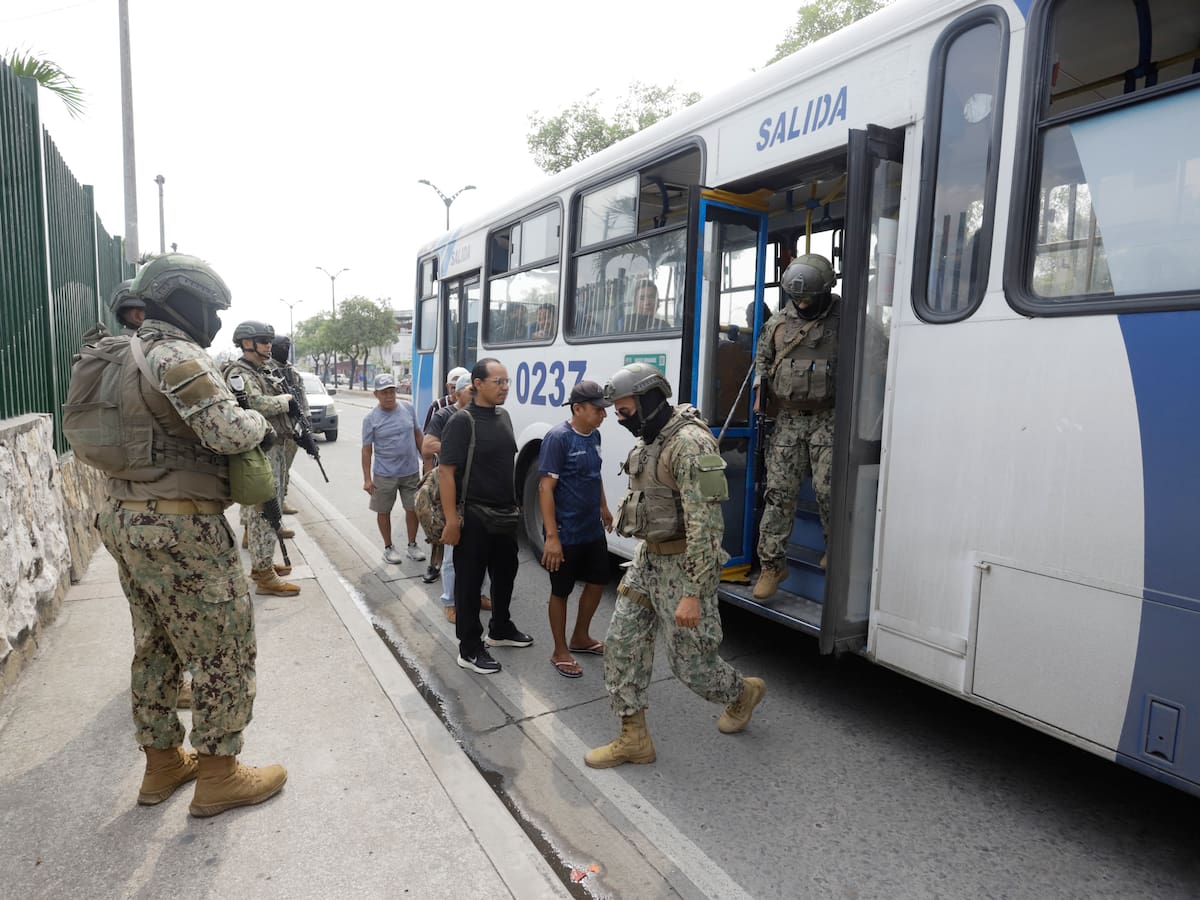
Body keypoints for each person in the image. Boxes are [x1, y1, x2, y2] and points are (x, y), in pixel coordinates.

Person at [88, 253, 286, 817]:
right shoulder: (174, 352)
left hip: (125, 515)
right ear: (180, 300)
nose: (216, 321)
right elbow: (228, 430)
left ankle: (162, 765)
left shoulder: (120, 353)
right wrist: (254, 419)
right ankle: (220, 774)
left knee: (155, 646)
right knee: (223, 647)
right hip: (179, 526)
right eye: (209, 308)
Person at [585, 363, 766, 768]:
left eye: (625, 409)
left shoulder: (690, 445)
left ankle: (741, 693)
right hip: (649, 559)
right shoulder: (652, 439)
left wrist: (692, 593)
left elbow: (707, 526)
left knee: (692, 667)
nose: (620, 417)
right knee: (621, 643)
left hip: (686, 566)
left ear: (649, 400)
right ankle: (634, 739)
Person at [751, 254, 840, 600]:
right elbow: (762, 363)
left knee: (829, 491)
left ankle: (836, 549)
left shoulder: (846, 320)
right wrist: (762, 394)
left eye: (808, 298)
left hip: (828, 419)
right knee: (778, 495)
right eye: (796, 297)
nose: (802, 303)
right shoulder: (776, 325)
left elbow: (878, 358)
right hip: (788, 422)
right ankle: (772, 566)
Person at [438, 358, 531, 674]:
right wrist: (452, 520)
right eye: (498, 382)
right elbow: (446, 472)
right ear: (477, 384)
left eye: (507, 382)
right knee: (469, 585)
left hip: (505, 516)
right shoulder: (463, 422)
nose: (505, 387)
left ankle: (500, 629)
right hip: (475, 516)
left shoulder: (503, 416)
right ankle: (469, 648)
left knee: (505, 575)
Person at [537, 381, 613, 678]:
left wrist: (603, 507)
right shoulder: (558, 439)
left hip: (591, 529)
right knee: (561, 591)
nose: (603, 415)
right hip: (565, 533)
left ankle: (580, 637)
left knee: (597, 582)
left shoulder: (594, 435)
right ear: (577, 408)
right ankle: (560, 650)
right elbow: (545, 488)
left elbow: (595, 475)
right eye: (597, 410)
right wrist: (552, 537)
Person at [224, 321, 301, 597]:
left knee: (271, 509)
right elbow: (251, 403)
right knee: (263, 512)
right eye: (262, 340)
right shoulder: (238, 373)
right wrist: (285, 401)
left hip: (275, 446)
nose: (268, 345)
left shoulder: (261, 370)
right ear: (246, 343)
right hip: (259, 449)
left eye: (269, 340)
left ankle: (263, 564)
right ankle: (264, 573)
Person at [421, 372, 492, 621]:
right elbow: (427, 445)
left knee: (481, 549)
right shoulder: (445, 415)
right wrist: (458, 447)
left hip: (479, 492)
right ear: (457, 393)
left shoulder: (483, 415)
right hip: (452, 491)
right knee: (452, 550)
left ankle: (478, 594)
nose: (474, 396)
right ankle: (450, 601)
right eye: (470, 391)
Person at [362, 372, 426, 564]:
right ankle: (388, 547)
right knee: (384, 511)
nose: (389, 396)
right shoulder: (370, 419)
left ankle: (412, 545)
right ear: (376, 395)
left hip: (410, 472)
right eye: (384, 392)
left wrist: (426, 461)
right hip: (384, 474)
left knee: (413, 509)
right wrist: (367, 479)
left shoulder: (408, 408)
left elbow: (418, 436)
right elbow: (366, 451)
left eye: (392, 391)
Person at [267, 334, 307, 516]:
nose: (285, 349)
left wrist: (306, 423)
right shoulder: (265, 370)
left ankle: (281, 503)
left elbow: (302, 398)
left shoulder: (293, 372)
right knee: (264, 480)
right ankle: (249, 527)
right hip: (271, 432)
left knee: (284, 471)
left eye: (288, 346)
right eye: (282, 346)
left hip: (291, 431)